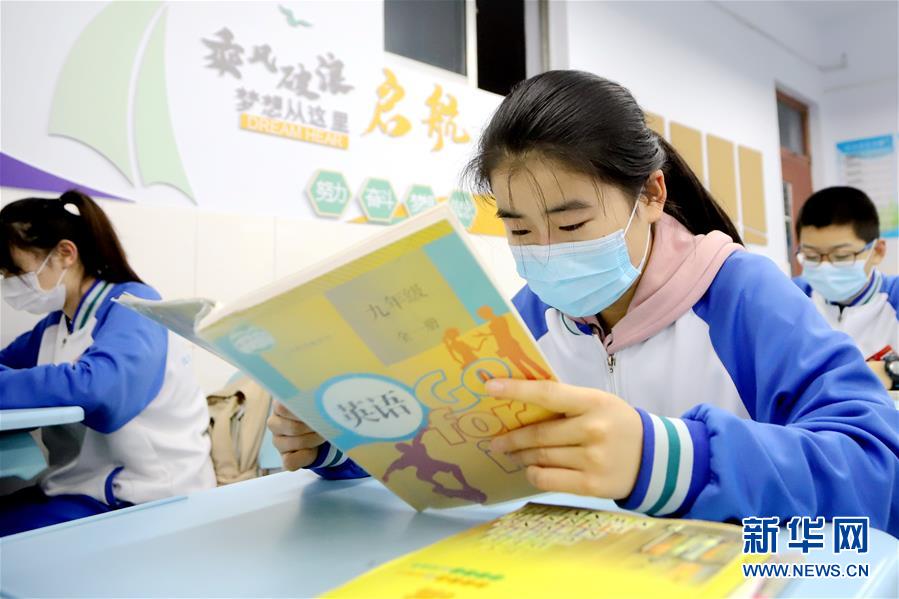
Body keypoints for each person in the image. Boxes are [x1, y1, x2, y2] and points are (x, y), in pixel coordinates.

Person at [268, 71, 898, 535]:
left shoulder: (740, 295)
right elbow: (456, 448)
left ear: (651, 195)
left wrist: (667, 459)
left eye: (571, 225)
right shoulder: (529, 316)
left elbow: (876, 470)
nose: (546, 253)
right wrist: (340, 439)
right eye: (519, 229)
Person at [0, 190, 215, 536]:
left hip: (147, 497)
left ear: (65, 253)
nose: (9, 285)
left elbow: (101, 392)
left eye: (16, 272)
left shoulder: (135, 306)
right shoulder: (56, 326)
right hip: (77, 489)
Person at [792, 186, 899, 390]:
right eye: (811, 256)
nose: (825, 267)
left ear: (877, 251)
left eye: (841, 256)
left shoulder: (895, 297)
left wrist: (890, 370)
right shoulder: (794, 297)